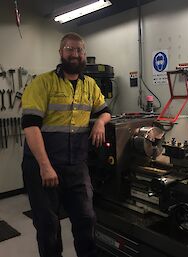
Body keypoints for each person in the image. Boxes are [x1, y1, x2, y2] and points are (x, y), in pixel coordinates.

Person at [21, 32, 111, 257]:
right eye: (69, 49)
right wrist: (45, 165)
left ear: (84, 55)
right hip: (43, 166)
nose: (75, 54)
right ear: (61, 53)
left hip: (76, 166)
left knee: (86, 218)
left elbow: (106, 111)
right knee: (48, 225)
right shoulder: (42, 83)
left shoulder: (89, 85)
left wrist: (100, 121)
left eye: (79, 50)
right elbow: (30, 126)